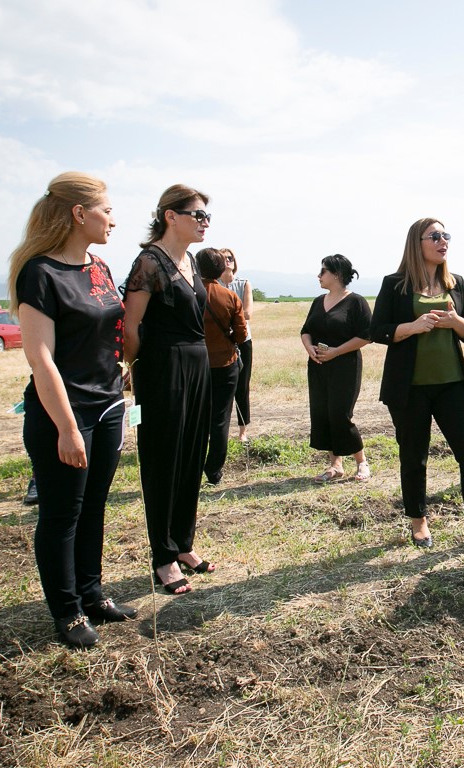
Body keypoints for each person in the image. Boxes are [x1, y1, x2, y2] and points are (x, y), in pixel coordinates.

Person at [8, 171, 135, 649]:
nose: (113, 220)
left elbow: (107, 332)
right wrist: (66, 427)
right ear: (79, 213)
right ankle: (67, 611)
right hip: (65, 414)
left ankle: (93, 594)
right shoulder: (40, 273)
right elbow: (40, 358)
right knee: (63, 514)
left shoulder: (99, 267)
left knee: (94, 507)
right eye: (107, 210)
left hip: (108, 406)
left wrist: (122, 372)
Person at [371, 218, 464, 554]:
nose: (443, 241)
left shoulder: (455, 283)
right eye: (435, 236)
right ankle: (419, 522)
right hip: (409, 387)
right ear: (417, 243)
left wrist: (457, 322)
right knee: (414, 456)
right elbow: (377, 330)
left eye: (446, 235)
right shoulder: (395, 284)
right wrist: (412, 327)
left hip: (452, 384)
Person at [122, 184, 215, 595]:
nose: (205, 222)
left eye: (208, 216)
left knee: (192, 456)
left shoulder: (190, 260)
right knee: (163, 461)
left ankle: (183, 544)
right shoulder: (149, 262)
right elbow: (131, 326)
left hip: (198, 364)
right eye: (198, 215)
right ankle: (163, 556)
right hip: (163, 368)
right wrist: (133, 367)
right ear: (170, 216)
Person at [300, 254, 373, 482]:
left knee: (340, 415)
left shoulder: (356, 302)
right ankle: (336, 465)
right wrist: (309, 347)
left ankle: (361, 462)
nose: (319, 275)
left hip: (345, 367)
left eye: (323, 271)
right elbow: (306, 330)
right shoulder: (317, 301)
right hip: (318, 367)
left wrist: (336, 351)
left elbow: (367, 336)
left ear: (337, 274)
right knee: (322, 414)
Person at [196, 247, 248, 486]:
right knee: (220, 419)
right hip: (225, 364)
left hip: (195, 365)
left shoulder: (188, 293)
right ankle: (214, 470)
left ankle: (192, 466)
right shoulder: (229, 296)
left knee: (196, 418)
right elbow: (241, 334)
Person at [224, 250, 255, 441]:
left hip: (243, 339)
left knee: (242, 386)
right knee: (221, 386)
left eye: (230, 258)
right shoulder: (211, 284)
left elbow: (248, 313)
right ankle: (221, 429)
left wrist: (225, 317)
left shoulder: (243, 283)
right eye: (223, 258)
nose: (227, 261)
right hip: (220, 341)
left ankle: (243, 431)